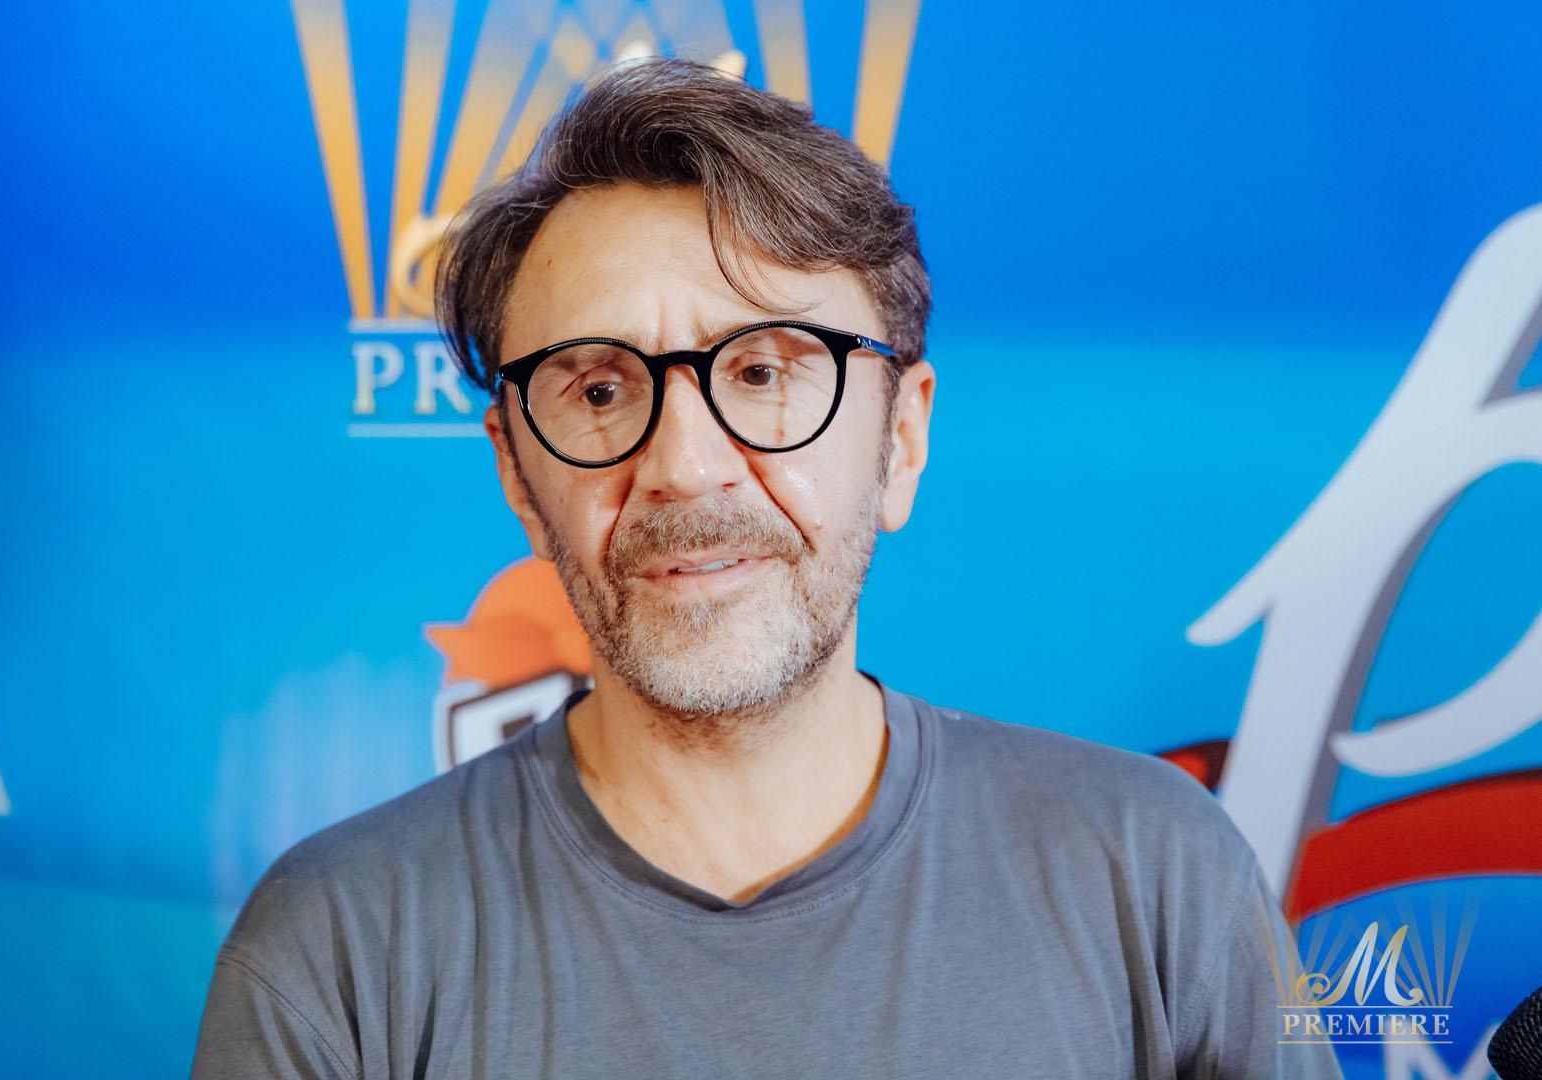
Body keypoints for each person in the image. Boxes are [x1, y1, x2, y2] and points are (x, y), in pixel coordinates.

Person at [191, 57, 1340, 1079]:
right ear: (518, 474)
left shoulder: (1157, 877)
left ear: (902, 440)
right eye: (601, 389)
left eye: (764, 372)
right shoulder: (338, 950)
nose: (686, 468)